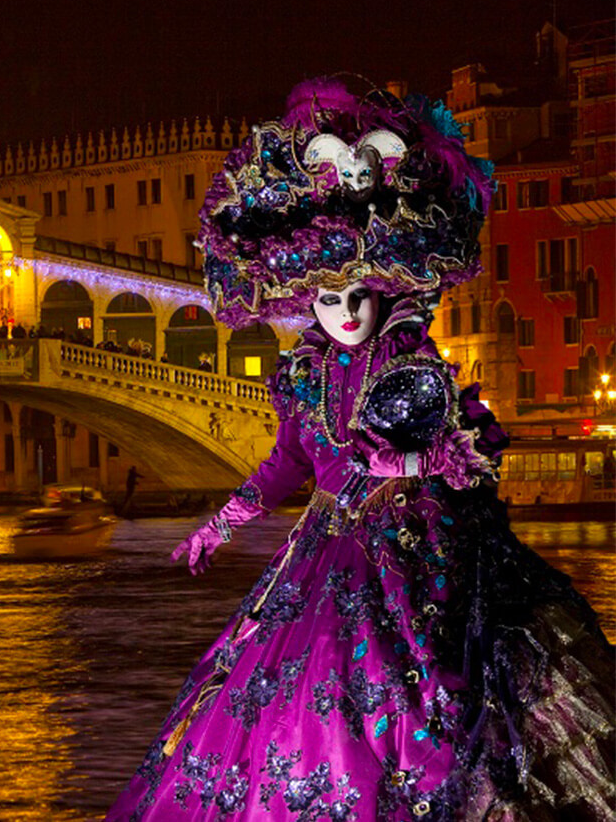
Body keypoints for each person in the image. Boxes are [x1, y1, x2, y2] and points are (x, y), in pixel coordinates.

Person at [107, 79, 614, 821]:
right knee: (280, 701)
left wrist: (398, 466)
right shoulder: (303, 374)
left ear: (382, 290)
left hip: (411, 555)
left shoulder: (411, 369)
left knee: (422, 695)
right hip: (319, 552)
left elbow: (465, 462)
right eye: (325, 300)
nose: (343, 314)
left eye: (356, 298)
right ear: (302, 301)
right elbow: (285, 465)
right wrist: (217, 525)